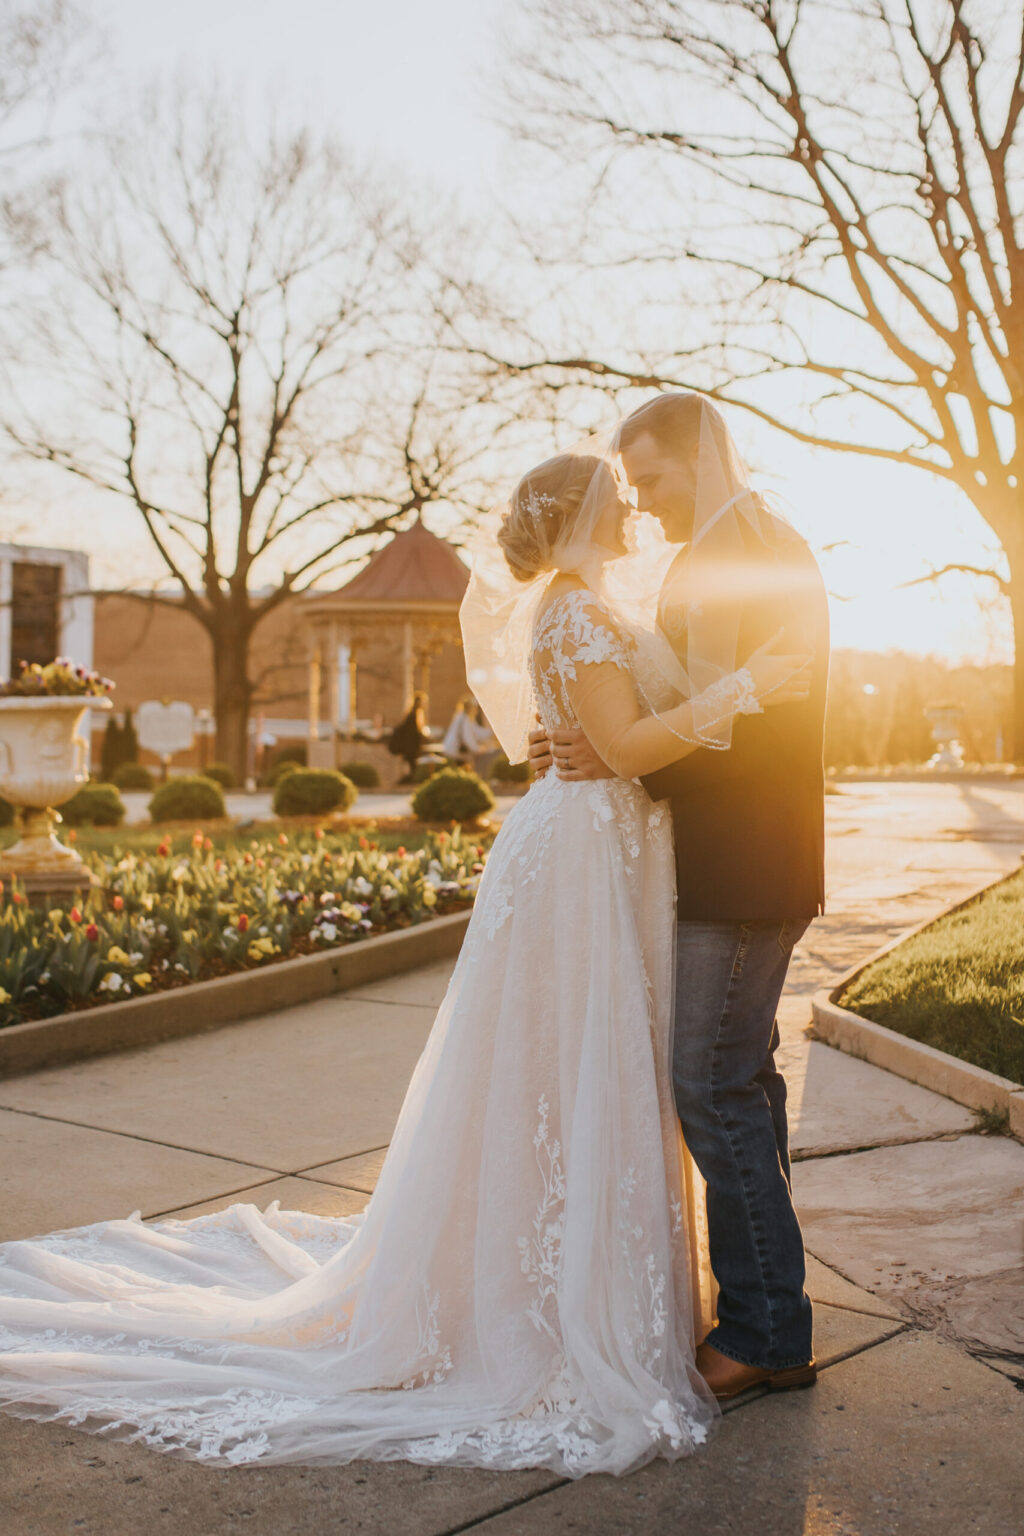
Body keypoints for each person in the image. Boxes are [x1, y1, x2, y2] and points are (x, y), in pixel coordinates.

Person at [0, 408, 813, 1473]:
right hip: (588, 848)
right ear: (572, 522)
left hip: (641, 849)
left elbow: (628, 733)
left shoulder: (700, 572)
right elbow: (623, 740)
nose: (632, 503)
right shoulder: (584, 612)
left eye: (641, 483)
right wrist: (712, 700)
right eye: (616, 496)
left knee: (668, 1074)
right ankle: (712, 1309)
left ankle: (750, 1312)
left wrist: (641, 724)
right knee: (617, 1069)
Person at [529, 393, 829, 1399]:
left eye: (650, 478)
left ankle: (765, 1333)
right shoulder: (713, 553)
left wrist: (621, 759)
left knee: (710, 1084)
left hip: (745, 861)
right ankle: (765, 1307)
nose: (640, 503)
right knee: (741, 1080)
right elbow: (686, 707)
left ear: (699, 454)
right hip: (719, 858)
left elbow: (765, 725)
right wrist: (598, 739)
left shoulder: (756, 549)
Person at [387, 691, 428, 783]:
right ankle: (405, 784)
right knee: (413, 770)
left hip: (411, 749)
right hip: (411, 749)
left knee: (413, 769)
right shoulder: (414, 715)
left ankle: (406, 783)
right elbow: (412, 735)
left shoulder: (414, 714)